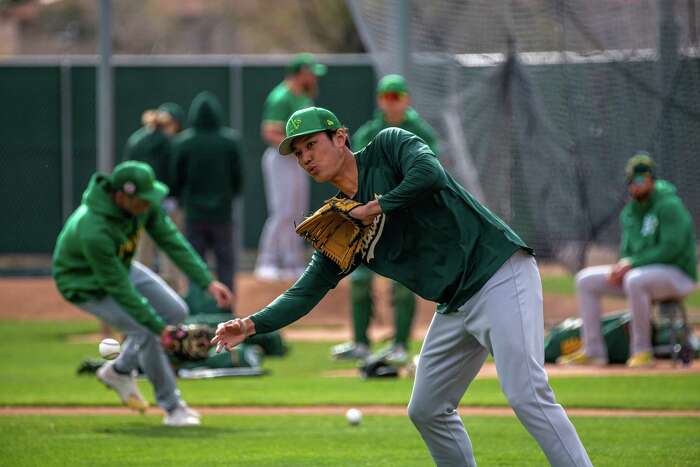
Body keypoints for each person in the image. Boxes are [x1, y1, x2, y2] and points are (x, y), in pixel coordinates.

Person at [213, 107, 593, 466]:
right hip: (455, 303)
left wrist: (373, 208)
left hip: (497, 271)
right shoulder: (342, 225)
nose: (305, 157)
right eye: (298, 153)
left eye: (312, 144)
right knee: (427, 409)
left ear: (341, 137)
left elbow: (430, 175)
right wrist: (249, 325)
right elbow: (306, 290)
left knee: (527, 393)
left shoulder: (388, 147)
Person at [52, 161, 232, 427]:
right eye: (143, 199)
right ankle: (173, 409)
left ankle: (120, 370)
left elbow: (172, 241)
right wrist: (160, 330)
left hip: (119, 266)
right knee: (146, 331)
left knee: (176, 311)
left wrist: (207, 281)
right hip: (83, 283)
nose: (149, 204)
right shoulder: (94, 229)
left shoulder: (141, 207)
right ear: (121, 196)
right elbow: (120, 291)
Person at [331, 74, 439, 362]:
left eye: (397, 96)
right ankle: (360, 343)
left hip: (407, 217)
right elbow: (357, 172)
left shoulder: (420, 132)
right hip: (373, 217)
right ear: (380, 99)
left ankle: (401, 344)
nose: (391, 102)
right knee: (359, 280)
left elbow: (429, 173)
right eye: (387, 97)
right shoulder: (369, 132)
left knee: (403, 283)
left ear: (406, 99)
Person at [558, 153, 697, 368]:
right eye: (631, 181)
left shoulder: (669, 205)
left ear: (651, 179)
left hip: (678, 275)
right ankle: (594, 351)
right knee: (586, 280)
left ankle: (642, 352)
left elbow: (671, 249)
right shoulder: (630, 212)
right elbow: (626, 252)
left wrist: (631, 264)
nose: (635, 185)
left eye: (640, 180)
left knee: (634, 279)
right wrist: (621, 266)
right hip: (640, 275)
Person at [254, 53, 326, 281]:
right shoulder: (281, 96)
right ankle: (267, 261)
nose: (314, 77)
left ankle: (291, 262)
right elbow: (269, 131)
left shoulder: (303, 96)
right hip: (281, 158)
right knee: (282, 211)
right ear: (300, 73)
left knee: (297, 211)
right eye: (311, 73)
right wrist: (296, 147)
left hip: (299, 159)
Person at [171, 91, 244, 297]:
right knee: (226, 263)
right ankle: (227, 307)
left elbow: (176, 178)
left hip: (194, 213)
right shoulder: (230, 141)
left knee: (196, 264)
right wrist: (230, 196)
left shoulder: (184, 142)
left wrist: (182, 200)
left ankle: (197, 305)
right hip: (222, 213)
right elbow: (238, 177)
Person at [124, 103, 187, 292]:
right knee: (170, 253)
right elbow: (179, 176)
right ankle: (173, 298)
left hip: (138, 204)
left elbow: (126, 173)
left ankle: (140, 297)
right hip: (169, 203)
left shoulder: (135, 140)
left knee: (142, 255)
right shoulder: (173, 143)